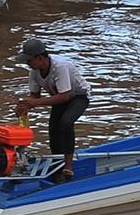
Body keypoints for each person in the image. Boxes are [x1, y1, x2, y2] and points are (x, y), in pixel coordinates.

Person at [16, 36, 89, 182]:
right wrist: (24, 106)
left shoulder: (60, 67)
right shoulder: (34, 72)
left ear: (40, 58)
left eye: (29, 60)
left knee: (66, 123)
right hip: (59, 98)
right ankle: (57, 166)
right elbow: (35, 95)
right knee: (54, 131)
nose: (27, 63)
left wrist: (35, 103)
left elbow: (65, 96)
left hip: (77, 97)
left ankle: (68, 167)